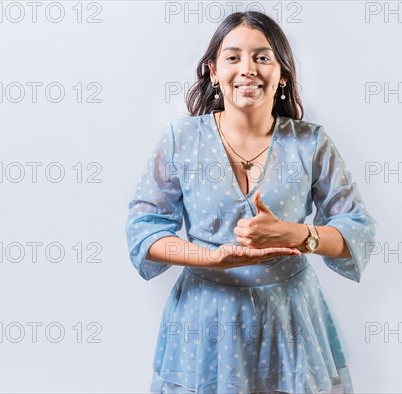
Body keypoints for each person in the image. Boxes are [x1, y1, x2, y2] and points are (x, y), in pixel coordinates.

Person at [125, 11, 377, 394]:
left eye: (262, 57)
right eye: (233, 57)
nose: (247, 69)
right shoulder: (181, 139)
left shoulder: (311, 143)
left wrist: (295, 234)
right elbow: (143, 229)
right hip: (204, 318)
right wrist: (209, 257)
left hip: (289, 316)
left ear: (283, 74)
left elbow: (356, 229)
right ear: (212, 70)